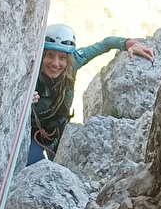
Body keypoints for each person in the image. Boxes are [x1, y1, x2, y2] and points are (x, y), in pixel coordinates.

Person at [27, 24, 154, 165]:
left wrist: (130, 44)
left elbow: (105, 44)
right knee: (33, 164)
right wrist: (25, 99)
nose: (55, 63)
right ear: (41, 54)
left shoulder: (73, 62)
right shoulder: (30, 72)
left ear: (68, 58)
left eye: (62, 57)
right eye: (50, 55)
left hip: (59, 131)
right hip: (32, 133)